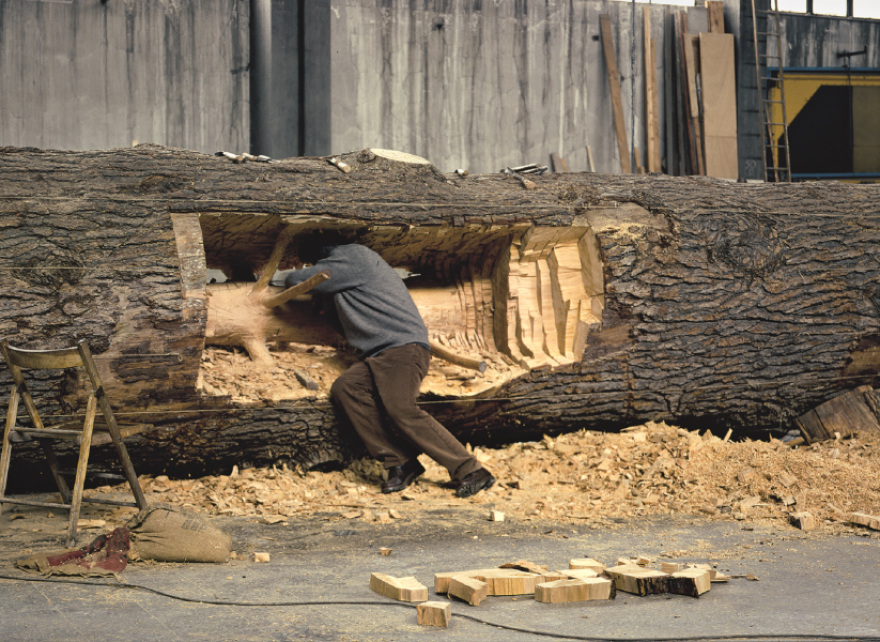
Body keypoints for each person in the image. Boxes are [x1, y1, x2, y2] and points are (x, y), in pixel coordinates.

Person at [285, 231, 495, 498]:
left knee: (402, 409)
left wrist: (298, 276)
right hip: (380, 354)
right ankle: (401, 462)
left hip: (403, 349)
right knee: (347, 388)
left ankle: (471, 469)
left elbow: (297, 280)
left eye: (310, 261)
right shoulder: (350, 269)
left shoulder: (353, 255)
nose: (309, 266)